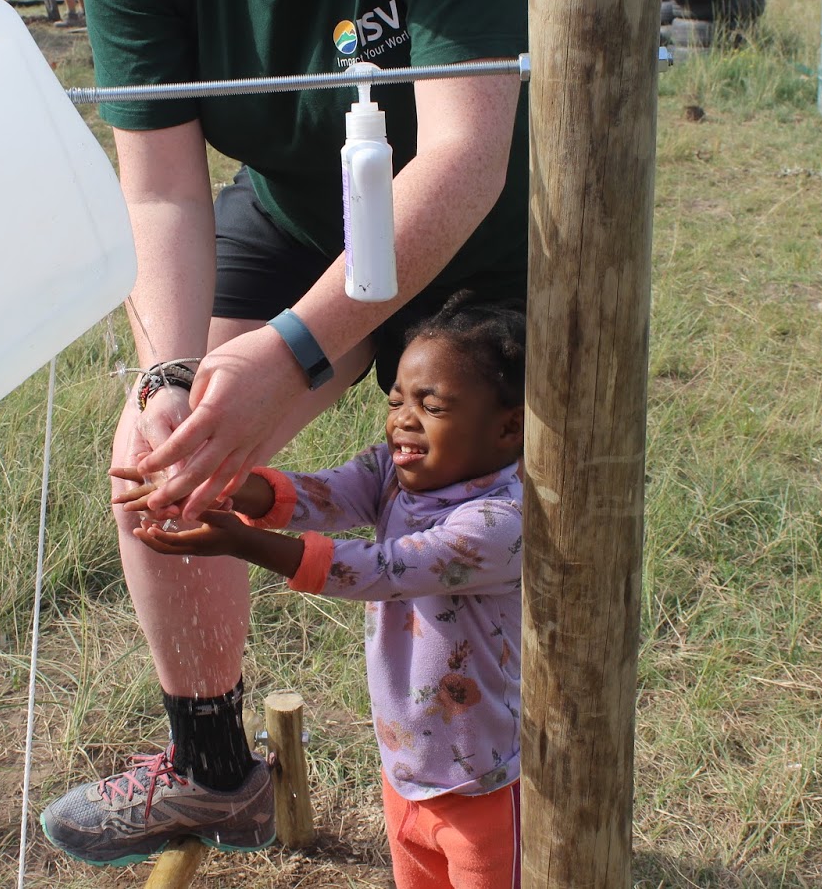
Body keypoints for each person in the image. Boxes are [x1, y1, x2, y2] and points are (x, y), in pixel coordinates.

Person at [37, 0, 530, 868]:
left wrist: (298, 347)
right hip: (306, 215)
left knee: (476, 547)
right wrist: (173, 376)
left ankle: (516, 792)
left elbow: (462, 151)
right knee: (154, 450)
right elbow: (163, 190)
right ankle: (213, 773)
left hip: (479, 236)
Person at [115, 296, 526, 888]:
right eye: (396, 401)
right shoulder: (394, 469)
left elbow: (381, 567)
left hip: (481, 785)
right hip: (406, 770)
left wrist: (246, 544)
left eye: (431, 406)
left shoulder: (499, 522)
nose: (403, 421)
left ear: (507, 427)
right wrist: (222, 488)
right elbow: (323, 494)